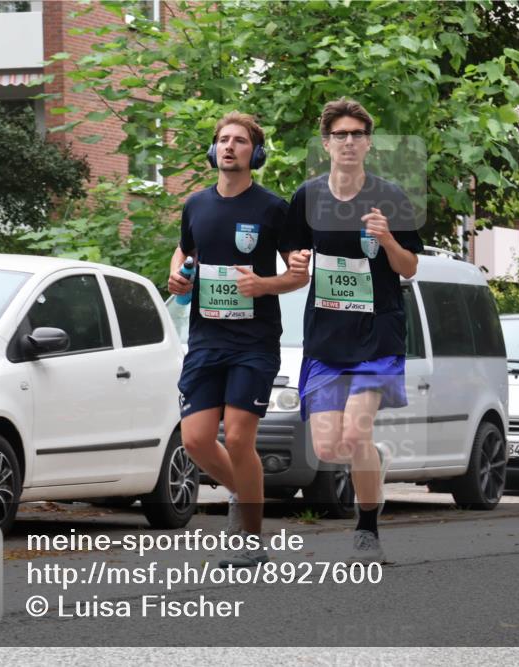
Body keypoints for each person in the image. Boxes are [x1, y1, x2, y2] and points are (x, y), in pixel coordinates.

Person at [285, 98, 424, 563]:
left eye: (357, 135)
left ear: (368, 143)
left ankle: (367, 527)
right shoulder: (307, 196)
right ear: (326, 143)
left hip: (377, 337)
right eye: (340, 135)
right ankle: (372, 458)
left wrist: (387, 239)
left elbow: (409, 269)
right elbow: (294, 262)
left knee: (354, 436)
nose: (348, 142)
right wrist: (294, 260)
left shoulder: (390, 197)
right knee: (330, 446)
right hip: (326, 338)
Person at [169, 112, 309, 567]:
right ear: (214, 151)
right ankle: (242, 492)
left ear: (256, 153)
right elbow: (185, 251)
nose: (229, 147)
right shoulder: (195, 204)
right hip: (207, 338)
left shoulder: (272, 209)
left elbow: (296, 276)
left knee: (240, 435)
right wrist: (177, 274)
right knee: (195, 440)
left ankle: (251, 539)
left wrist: (263, 285)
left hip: (254, 341)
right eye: (223, 140)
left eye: (240, 141)